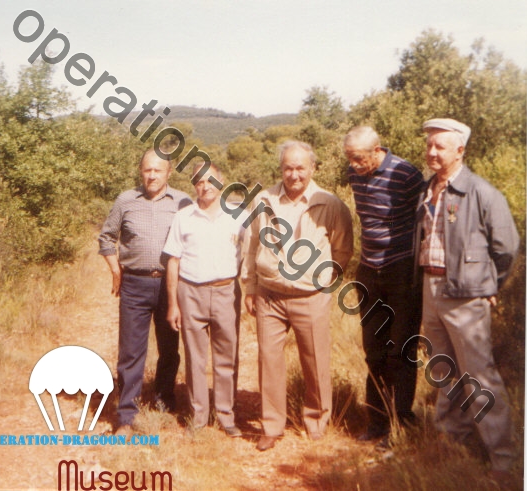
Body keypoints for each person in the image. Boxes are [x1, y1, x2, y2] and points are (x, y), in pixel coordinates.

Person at [417, 118, 519, 479]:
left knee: (479, 376)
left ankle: (505, 459)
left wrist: (488, 285)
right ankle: (451, 440)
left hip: (466, 296)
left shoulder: (481, 192)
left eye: (439, 146)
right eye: (429, 145)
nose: (431, 152)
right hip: (431, 289)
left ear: (460, 149)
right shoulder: (428, 189)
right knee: (444, 371)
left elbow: (506, 248)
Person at [242, 140, 354, 451]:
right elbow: (251, 245)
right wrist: (250, 287)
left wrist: (325, 278)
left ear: (312, 168)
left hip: (311, 296)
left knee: (315, 361)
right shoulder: (263, 200)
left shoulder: (330, 203)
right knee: (269, 360)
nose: (294, 175)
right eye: (288, 168)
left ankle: (317, 422)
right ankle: (271, 425)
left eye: (300, 168)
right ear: (281, 169)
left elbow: (344, 248)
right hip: (269, 294)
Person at [98, 149, 192, 434]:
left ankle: (164, 400)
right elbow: (106, 237)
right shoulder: (126, 200)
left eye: (158, 170)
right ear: (141, 171)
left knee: (169, 348)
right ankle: (126, 414)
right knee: (131, 351)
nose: (152, 175)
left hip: (170, 285)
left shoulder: (183, 202)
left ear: (169, 172)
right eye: (147, 170)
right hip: (135, 284)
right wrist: (116, 270)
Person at [343, 126, 424, 446]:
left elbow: (425, 221)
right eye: (350, 158)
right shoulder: (354, 173)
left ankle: (400, 425)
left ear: (377, 150)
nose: (355, 165)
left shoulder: (406, 174)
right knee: (374, 352)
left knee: (401, 352)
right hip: (369, 271)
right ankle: (376, 422)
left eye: (359, 158)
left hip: (403, 270)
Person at [164, 163, 244, 437]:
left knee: (227, 356)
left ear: (222, 182)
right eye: (199, 181)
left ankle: (226, 415)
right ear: (194, 184)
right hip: (191, 291)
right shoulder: (183, 217)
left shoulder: (238, 216)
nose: (205, 186)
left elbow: (249, 253)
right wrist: (173, 304)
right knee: (195, 358)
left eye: (210, 180)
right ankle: (198, 417)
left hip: (226, 291)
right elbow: (173, 260)